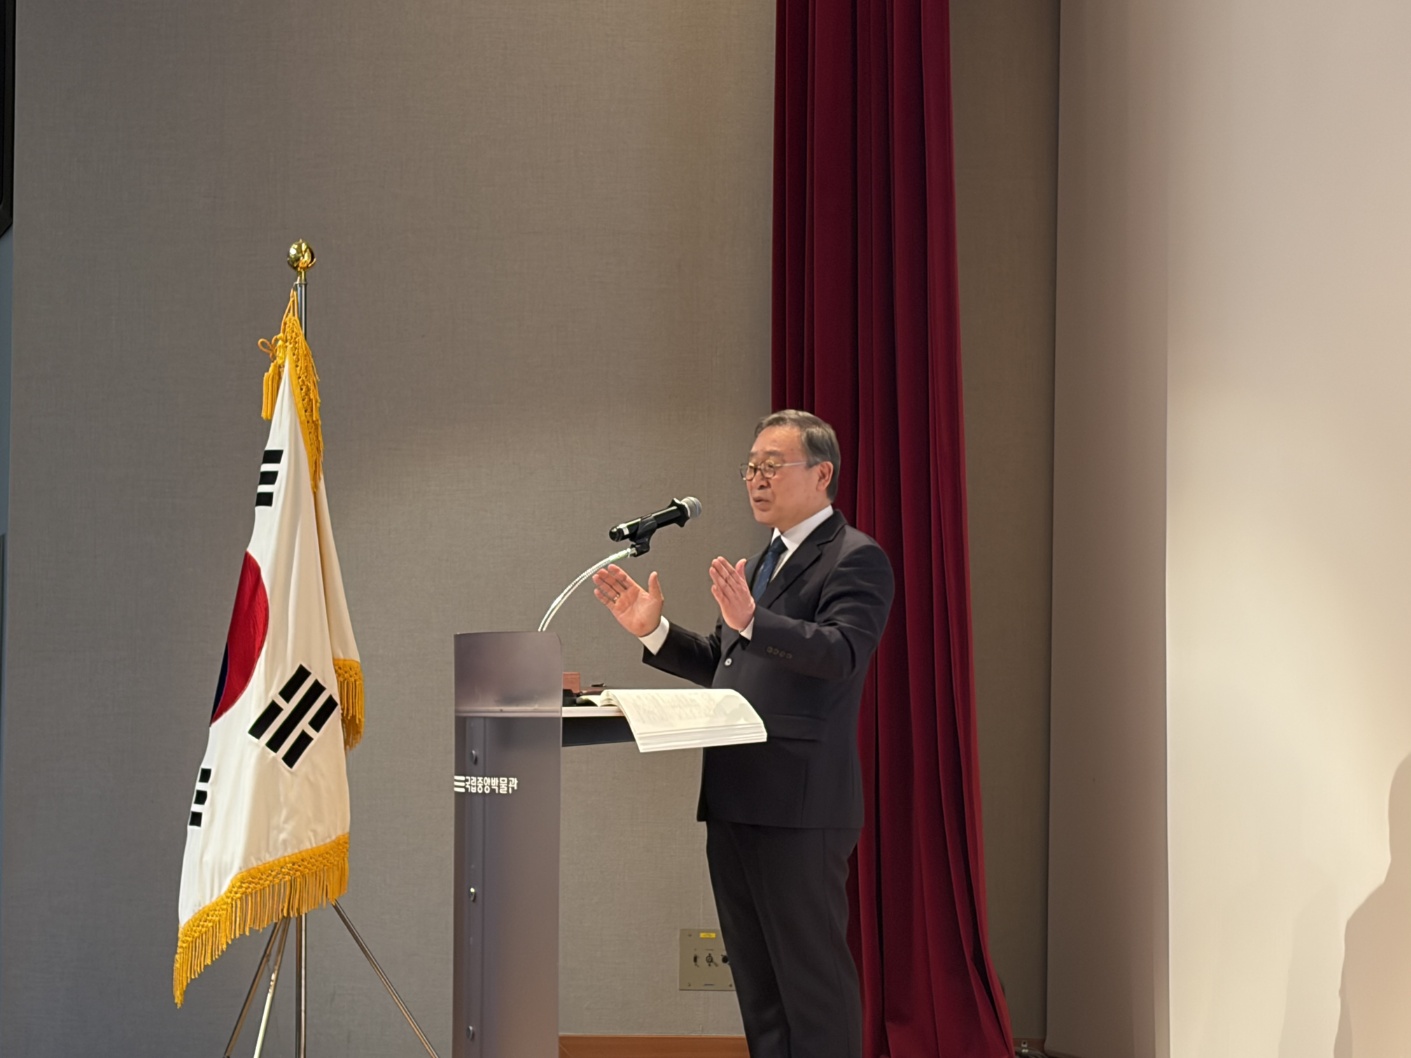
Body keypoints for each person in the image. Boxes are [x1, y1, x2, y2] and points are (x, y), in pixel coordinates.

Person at [592, 409, 894, 1058]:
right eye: (750, 467)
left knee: (812, 983)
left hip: (800, 801)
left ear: (822, 475)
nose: (756, 479)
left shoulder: (855, 558)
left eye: (771, 467)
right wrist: (653, 630)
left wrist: (756, 621)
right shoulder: (760, 564)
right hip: (735, 794)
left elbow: (842, 652)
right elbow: (724, 665)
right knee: (758, 984)